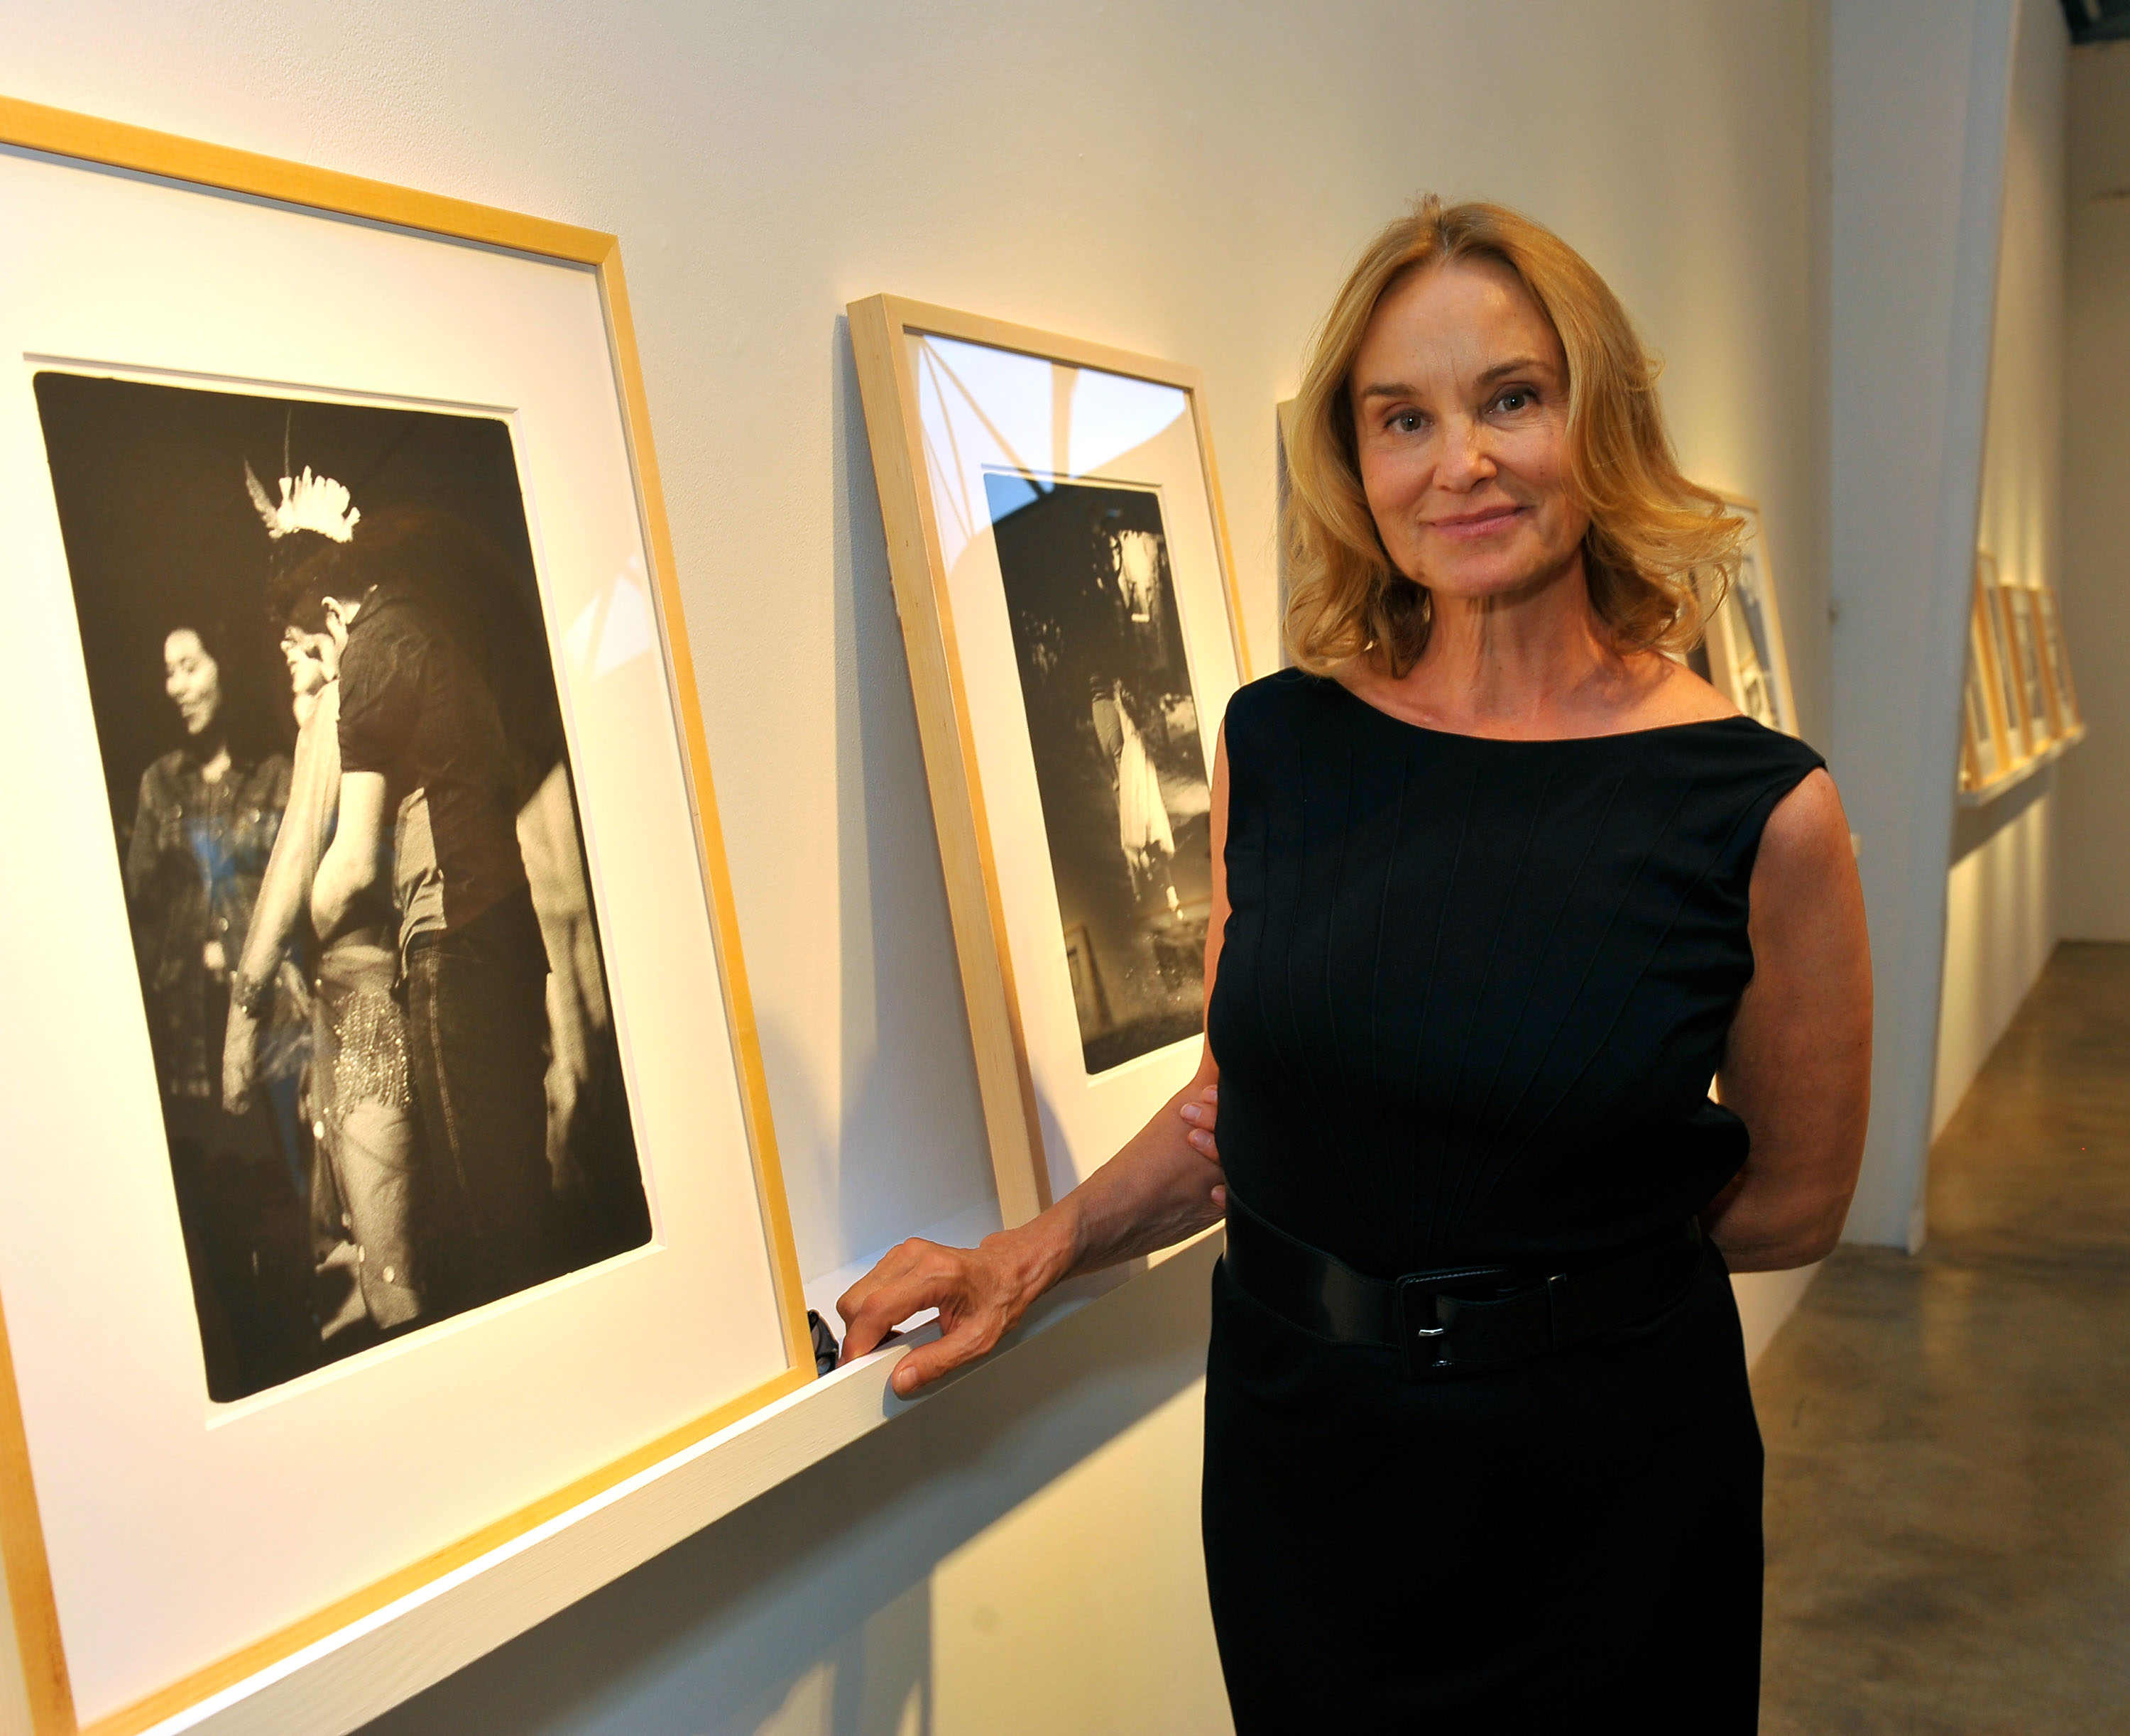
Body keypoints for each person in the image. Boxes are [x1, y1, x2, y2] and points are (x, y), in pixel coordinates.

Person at [836, 197, 1871, 1730]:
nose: (1460, 461)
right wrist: (1028, 1250)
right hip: (1303, 1459)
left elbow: (1791, 1201)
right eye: (1406, 418)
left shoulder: (1759, 804)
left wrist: (1552, 1288)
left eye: (1512, 398)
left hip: (1604, 1486)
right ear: (1356, 459)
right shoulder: (1281, 741)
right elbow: (1233, 1111)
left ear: (1602, 422)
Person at [299, 510, 562, 1315]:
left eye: (313, 652)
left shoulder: (373, 650)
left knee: (480, 1218)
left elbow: (347, 868)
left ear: (332, 614)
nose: (318, 671)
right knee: (514, 1184)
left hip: (455, 937)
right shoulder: (433, 632)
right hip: (503, 927)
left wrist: (295, 941)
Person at [225, 610, 428, 1342]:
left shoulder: (341, 706)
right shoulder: (339, 709)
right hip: (350, 1000)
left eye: (297, 623)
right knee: (379, 1239)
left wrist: (248, 1001)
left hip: (366, 999)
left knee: (391, 1258)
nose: (282, 640)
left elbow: (320, 870)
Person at [125, 620, 307, 1396]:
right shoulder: (157, 787)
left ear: (222, 667)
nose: (178, 687)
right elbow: (137, 911)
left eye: (190, 666)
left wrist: (245, 962)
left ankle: (306, 1362)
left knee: (289, 1204)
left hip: (272, 1033)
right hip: (191, 1043)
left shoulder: (276, 776)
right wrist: (189, 953)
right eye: (167, 673)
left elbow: (297, 903)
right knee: (223, 1218)